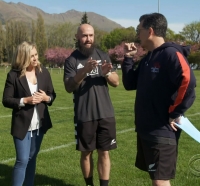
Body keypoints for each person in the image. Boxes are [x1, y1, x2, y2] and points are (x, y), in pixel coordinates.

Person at [121, 13, 196, 186]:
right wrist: (128, 58)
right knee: (156, 180)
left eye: (139, 30)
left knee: (161, 182)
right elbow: (130, 83)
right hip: (147, 129)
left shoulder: (170, 54)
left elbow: (188, 81)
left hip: (162, 130)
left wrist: (175, 112)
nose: (137, 34)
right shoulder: (149, 57)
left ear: (150, 31)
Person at [63, 24, 119, 186]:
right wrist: (84, 71)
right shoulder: (72, 60)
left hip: (106, 114)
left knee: (105, 152)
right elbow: (68, 87)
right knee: (86, 153)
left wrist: (107, 72)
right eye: (85, 36)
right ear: (77, 37)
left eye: (91, 35)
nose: (88, 39)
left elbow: (116, 82)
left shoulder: (103, 56)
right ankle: (89, 185)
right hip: (85, 115)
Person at [2, 41, 56, 186]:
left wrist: (47, 98)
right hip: (21, 124)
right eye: (31, 56)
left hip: (39, 125)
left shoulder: (43, 71)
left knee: (32, 158)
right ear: (23, 57)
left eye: (36, 55)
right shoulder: (13, 75)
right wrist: (25, 100)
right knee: (23, 159)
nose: (35, 58)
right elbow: (6, 100)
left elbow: (52, 94)